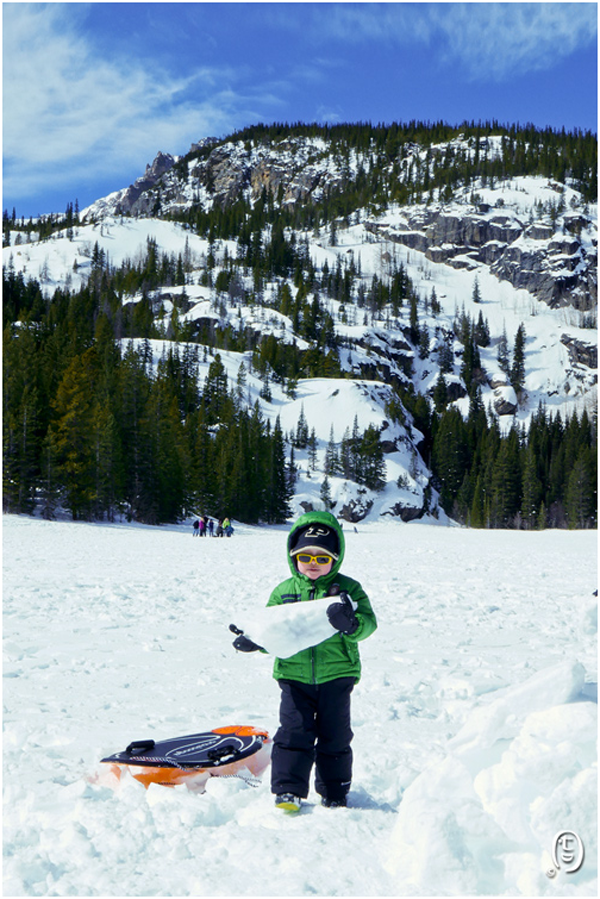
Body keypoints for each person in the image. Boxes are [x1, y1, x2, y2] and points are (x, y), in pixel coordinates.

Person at [233, 510, 377, 812]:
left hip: (337, 676)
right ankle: (288, 789)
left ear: (335, 558)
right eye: (306, 557)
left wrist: (351, 624)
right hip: (294, 676)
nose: (313, 564)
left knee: (335, 736)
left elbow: (368, 623)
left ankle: (334, 791)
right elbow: (271, 628)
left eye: (322, 558)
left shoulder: (349, 590)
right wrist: (255, 640)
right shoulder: (284, 592)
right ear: (293, 556)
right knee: (293, 732)